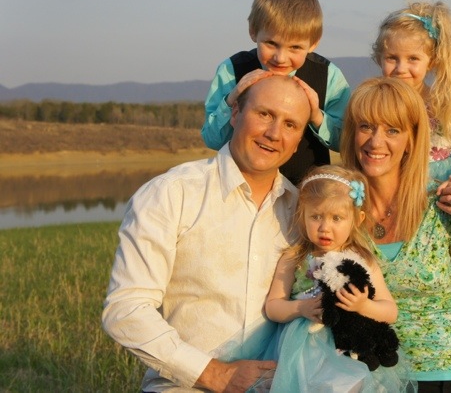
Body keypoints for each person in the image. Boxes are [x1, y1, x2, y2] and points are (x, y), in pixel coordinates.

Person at [102, 75, 313, 392]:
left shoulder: (303, 213)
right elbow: (126, 310)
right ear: (235, 113)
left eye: (290, 125)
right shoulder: (172, 194)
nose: (273, 133)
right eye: (264, 114)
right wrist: (216, 374)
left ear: (297, 142)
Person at [340, 77, 451, 392]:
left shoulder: (442, 205)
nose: (376, 141)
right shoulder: (337, 213)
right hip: (381, 380)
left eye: (392, 130)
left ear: (412, 140)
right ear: (351, 134)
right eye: (366, 127)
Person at [264, 164, 415, 392]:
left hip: (351, 347)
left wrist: (364, 306)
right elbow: (273, 307)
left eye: (337, 218)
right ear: (302, 214)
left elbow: (390, 311)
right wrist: (301, 308)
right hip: (306, 349)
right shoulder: (295, 258)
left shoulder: (363, 260)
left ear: (357, 218)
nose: (325, 228)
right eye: (316, 216)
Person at [201, 0, 351, 185]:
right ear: (253, 32)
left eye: (295, 47)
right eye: (271, 44)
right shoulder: (232, 71)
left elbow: (346, 142)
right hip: (242, 188)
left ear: (313, 43)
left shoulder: (328, 76)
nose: (280, 57)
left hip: (306, 193)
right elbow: (212, 139)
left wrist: (317, 116)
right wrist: (233, 97)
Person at [372, 1, 451, 195]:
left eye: (413, 59)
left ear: (431, 61)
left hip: (439, 196)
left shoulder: (443, 105)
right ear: (379, 58)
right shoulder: (375, 104)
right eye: (392, 58)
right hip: (392, 193)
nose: (401, 68)